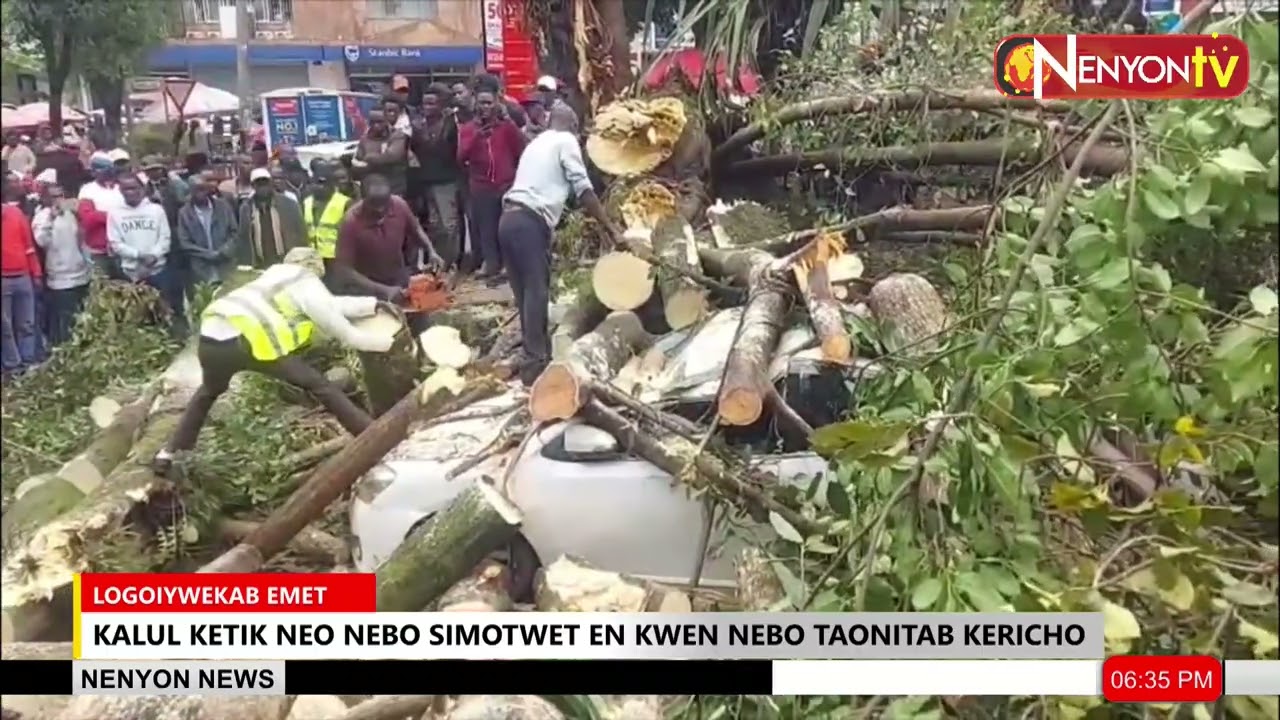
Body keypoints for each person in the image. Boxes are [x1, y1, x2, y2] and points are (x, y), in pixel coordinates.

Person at [152, 247, 394, 478]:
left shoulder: (272, 276)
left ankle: (169, 453)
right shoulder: (306, 282)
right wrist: (385, 342)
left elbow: (331, 304)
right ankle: (372, 437)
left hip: (211, 340)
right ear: (315, 269)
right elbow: (342, 330)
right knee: (319, 385)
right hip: (248, 343)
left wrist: (371, 305)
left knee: (207, 394)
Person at [500, 103, 620, 386]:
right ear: (575, 128)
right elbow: (583, 188)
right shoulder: (566, 141)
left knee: (524, 292)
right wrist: (612, 229)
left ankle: (532, 357)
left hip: (507, 220)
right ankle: (536, 364)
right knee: (537, 291)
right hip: (529, 221)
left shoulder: (536, 143)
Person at [333, 173, 442, 334]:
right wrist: (383, 290)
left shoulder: (399, 205)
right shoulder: (350, 223)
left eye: (384, 204)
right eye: (374, 205)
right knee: (388, 334)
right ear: (362, 199)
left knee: (421, 326)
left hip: (399, 279)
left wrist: (431, 251)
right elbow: (344, 270)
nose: (380, 210)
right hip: (369, 289)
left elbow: (416, 229)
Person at [457, 90, 525, 282]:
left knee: (506, 227)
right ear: (475, 105)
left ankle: (508, 265)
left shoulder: (506, 127)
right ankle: (491, 264)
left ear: (496, 104)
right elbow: (461, 156)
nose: (485, 107)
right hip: (481, 185)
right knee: (486, 228)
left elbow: (521, 148)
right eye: (481, 103)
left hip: (506, 184)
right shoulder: (468, 129)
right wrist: (477, 136)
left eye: (488, 103)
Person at [108, 175, 187, 337]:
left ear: (142, 189)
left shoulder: (156, 210)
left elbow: (165, 237)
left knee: (166, 311)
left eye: (134, 188)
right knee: (140, 318)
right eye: (126, 189)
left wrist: (154, 256)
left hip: (159, 271)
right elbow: (115, 243)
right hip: (132, 275)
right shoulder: (114, 214)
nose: (130, 192)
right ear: (120, 191)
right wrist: (139, 255)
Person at [410, 83, 463, 271]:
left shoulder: (450, 124)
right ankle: (438, 261)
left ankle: (452, 260)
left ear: (441, 105)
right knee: (434, 225)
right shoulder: (418, 126)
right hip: (427, 181)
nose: (428, 107)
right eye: (425, 104)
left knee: (449, 224)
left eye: (432, 104)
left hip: (446, 180)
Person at [32, 184, 91, 346]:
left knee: (82, 319)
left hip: (81, 273)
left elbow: (81, 240)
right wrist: (51, 218)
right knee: (64, 323)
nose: (58, 200)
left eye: (60, 195)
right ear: (45, 198)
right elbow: (41, 241)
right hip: (60, 279)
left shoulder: (70, 214)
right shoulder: (42, 217)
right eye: (54, 196)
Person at [2, 173, 43, 375]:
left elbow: (29, 247)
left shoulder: (16, 214)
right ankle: (12, 365)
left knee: (27, 322)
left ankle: (27, 362)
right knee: (5, 326)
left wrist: (36, 273)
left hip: (23, 276)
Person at [176, 172, 238, 289]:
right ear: (191, 191)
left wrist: (224, 250)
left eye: (203, 189)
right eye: (196, 189)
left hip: (225, 265)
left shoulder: (223, 206)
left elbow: (234, 233)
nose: (201, 193)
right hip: (200, 269)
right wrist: (208, 254)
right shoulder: (184, 213)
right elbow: (185, 243)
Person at [238, 167, 306, 269]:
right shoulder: (246, 208)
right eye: (259, 184)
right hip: (260, 264)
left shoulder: (288, 204)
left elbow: (301, 232)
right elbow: (243, 238)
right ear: (253, 186)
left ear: (271, 183)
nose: (262, 187)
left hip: (286, 262)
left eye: (265, 183)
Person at [302, 162, 354, 283]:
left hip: (336, 260)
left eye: (322, 183)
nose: (318, 187)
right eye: (314, 183)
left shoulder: (345, 203)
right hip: (313, 260)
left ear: (332, 184)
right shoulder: (306, 202)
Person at [77, 152, 125, 277]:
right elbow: (88, 219)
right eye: (97, 170)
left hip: (123, 248)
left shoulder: (121, 188)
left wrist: (104, 216)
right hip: (98, 250)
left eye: (106, 169)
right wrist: (113, 216)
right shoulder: (87, 190)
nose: (101, 172)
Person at [353, 109, 409, 198]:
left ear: (386, 120)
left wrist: (369, 158)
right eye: (373, 122)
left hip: (394, 187)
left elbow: (393, 156)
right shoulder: (364, 139)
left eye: (379, 122)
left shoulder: (397, 135)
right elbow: (357, 163)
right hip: (371, 189)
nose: (376, 125)